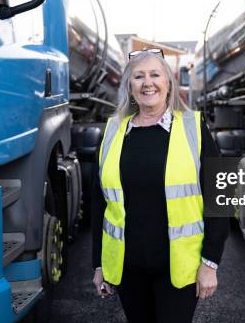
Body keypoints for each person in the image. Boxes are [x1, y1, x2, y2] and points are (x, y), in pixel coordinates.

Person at [91, 48, 229, 323]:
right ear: (130, 87)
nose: (147, 82)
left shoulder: (193, 127)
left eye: (155, 74)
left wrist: (210, 263)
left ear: (168, 83)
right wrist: (99, 265)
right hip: (128, 269)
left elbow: (220, 197)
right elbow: (100, 206)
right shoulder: (112, 132)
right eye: (139, 76)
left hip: (178, 271)